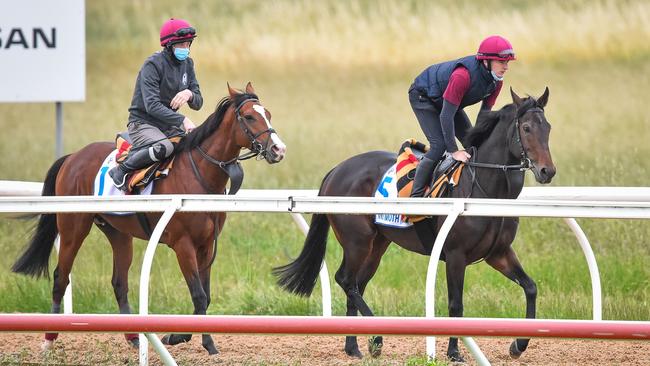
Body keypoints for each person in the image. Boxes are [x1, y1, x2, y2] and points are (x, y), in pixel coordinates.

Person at [407, 35, 515, 198]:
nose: (505, 67)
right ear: (486, 61)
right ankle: (415, 198)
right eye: (501, 62)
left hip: (447, 102)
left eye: (507, 62)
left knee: (473, 145)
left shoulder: (496, 82)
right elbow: (445, 116)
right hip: (423, 97)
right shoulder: (462, 76)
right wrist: (454, 151)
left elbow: (484, 115)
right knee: (439, 146)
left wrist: (481, 140)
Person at [109, 18, 203, 190]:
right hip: (142, 123)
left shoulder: (188, 64)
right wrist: (182, 120)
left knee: (196, 144)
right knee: (164, 147)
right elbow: (152, 106)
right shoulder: (152, 65)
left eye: (188, 44)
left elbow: (198, 102)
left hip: (167, 125)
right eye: (180, 45)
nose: (186, 49)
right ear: (168, 45)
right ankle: (121, 171)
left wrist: (189, 94)